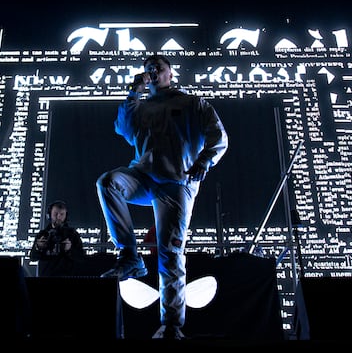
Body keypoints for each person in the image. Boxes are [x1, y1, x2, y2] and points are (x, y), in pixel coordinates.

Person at [96, 54, 228, 340]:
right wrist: (133, 93)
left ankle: (171, 324)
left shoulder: (191, 103)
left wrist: (204, 160)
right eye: (149, 68)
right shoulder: (140, 108)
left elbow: (219, 136)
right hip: (143, 177)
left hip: (176, 184)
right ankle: (129, 255)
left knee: (170, 252)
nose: (154, 71)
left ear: (170, 73)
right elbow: (124, 128)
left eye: (159, 67)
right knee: (108, 183)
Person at [29, 200, 86, 277]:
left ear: (66, 216)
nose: (59, 217)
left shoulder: (73, 234)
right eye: (55, 214)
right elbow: (33, 257)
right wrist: (38, 247)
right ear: (49, 215)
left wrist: (69, 250)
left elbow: (81, 258)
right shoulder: (42, 234)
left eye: (62, 214)